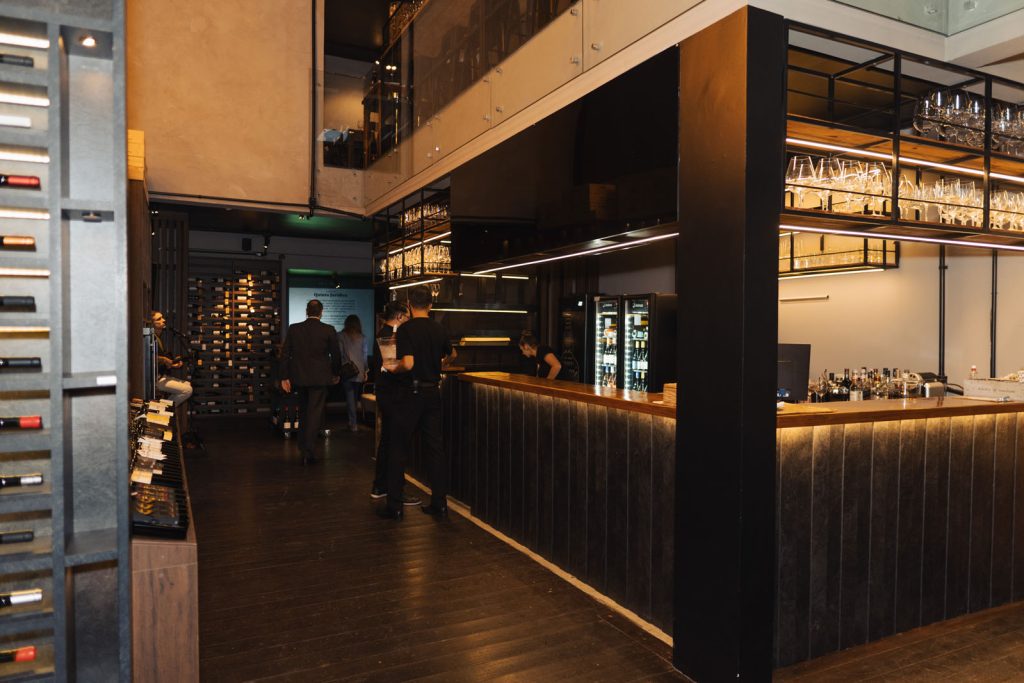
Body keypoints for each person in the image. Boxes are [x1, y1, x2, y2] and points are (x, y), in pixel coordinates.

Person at [381, 285, 456, 519]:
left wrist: (393, 368)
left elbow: (409, 363)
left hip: (409, 394)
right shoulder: (439, 328)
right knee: (435, 449)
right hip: (433, 393)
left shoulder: (406, 329)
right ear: (431, 305)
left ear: (409, 305)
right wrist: (439, 365)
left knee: (398, 447)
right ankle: (439, 504)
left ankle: (394, 506)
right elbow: (452, 354)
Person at [369, 301, 419, 507]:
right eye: (407, 317)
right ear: (399, 317)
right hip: (394, 394)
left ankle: (380, 486)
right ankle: (395, 489)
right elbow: (393, 366)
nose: (408, 320)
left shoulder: (382, 333)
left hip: (385, 392)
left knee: (387, 440)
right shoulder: (391, 336)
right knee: (396, 443)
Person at [280, 299, 342, 464]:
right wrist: (336, 373)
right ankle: (308, 451)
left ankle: (303, 447)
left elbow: (285, 354)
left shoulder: (294, 328)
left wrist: (284, 377)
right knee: (314, 414)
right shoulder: (328, 330)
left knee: (304, 412)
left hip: (299, 378)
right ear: (321, 312)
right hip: (320, 378)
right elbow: (336, 355)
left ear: (306, 311)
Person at [150, 311, 193, 407]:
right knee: (188, 390)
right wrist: (165, 360)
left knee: (188, 384)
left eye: (162, 318)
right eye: (159, 319)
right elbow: (148, 357)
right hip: (155, 379)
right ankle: (162, 409)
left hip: (161, 375)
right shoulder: (150, 338)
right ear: (152, 323)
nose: (163, 320)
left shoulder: (158, 338)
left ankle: (163, 407)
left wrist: (173, 364)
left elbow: (160, 360)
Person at [338, 314, 369, 433]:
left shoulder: (341, 336)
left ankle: (353, 423)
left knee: (350, 397)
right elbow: (364, 356)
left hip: (347, 371)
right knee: (354, 398)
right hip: (359, 371)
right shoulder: (363, 337)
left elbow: (340, 354)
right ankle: (352, 422)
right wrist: (366, 371)